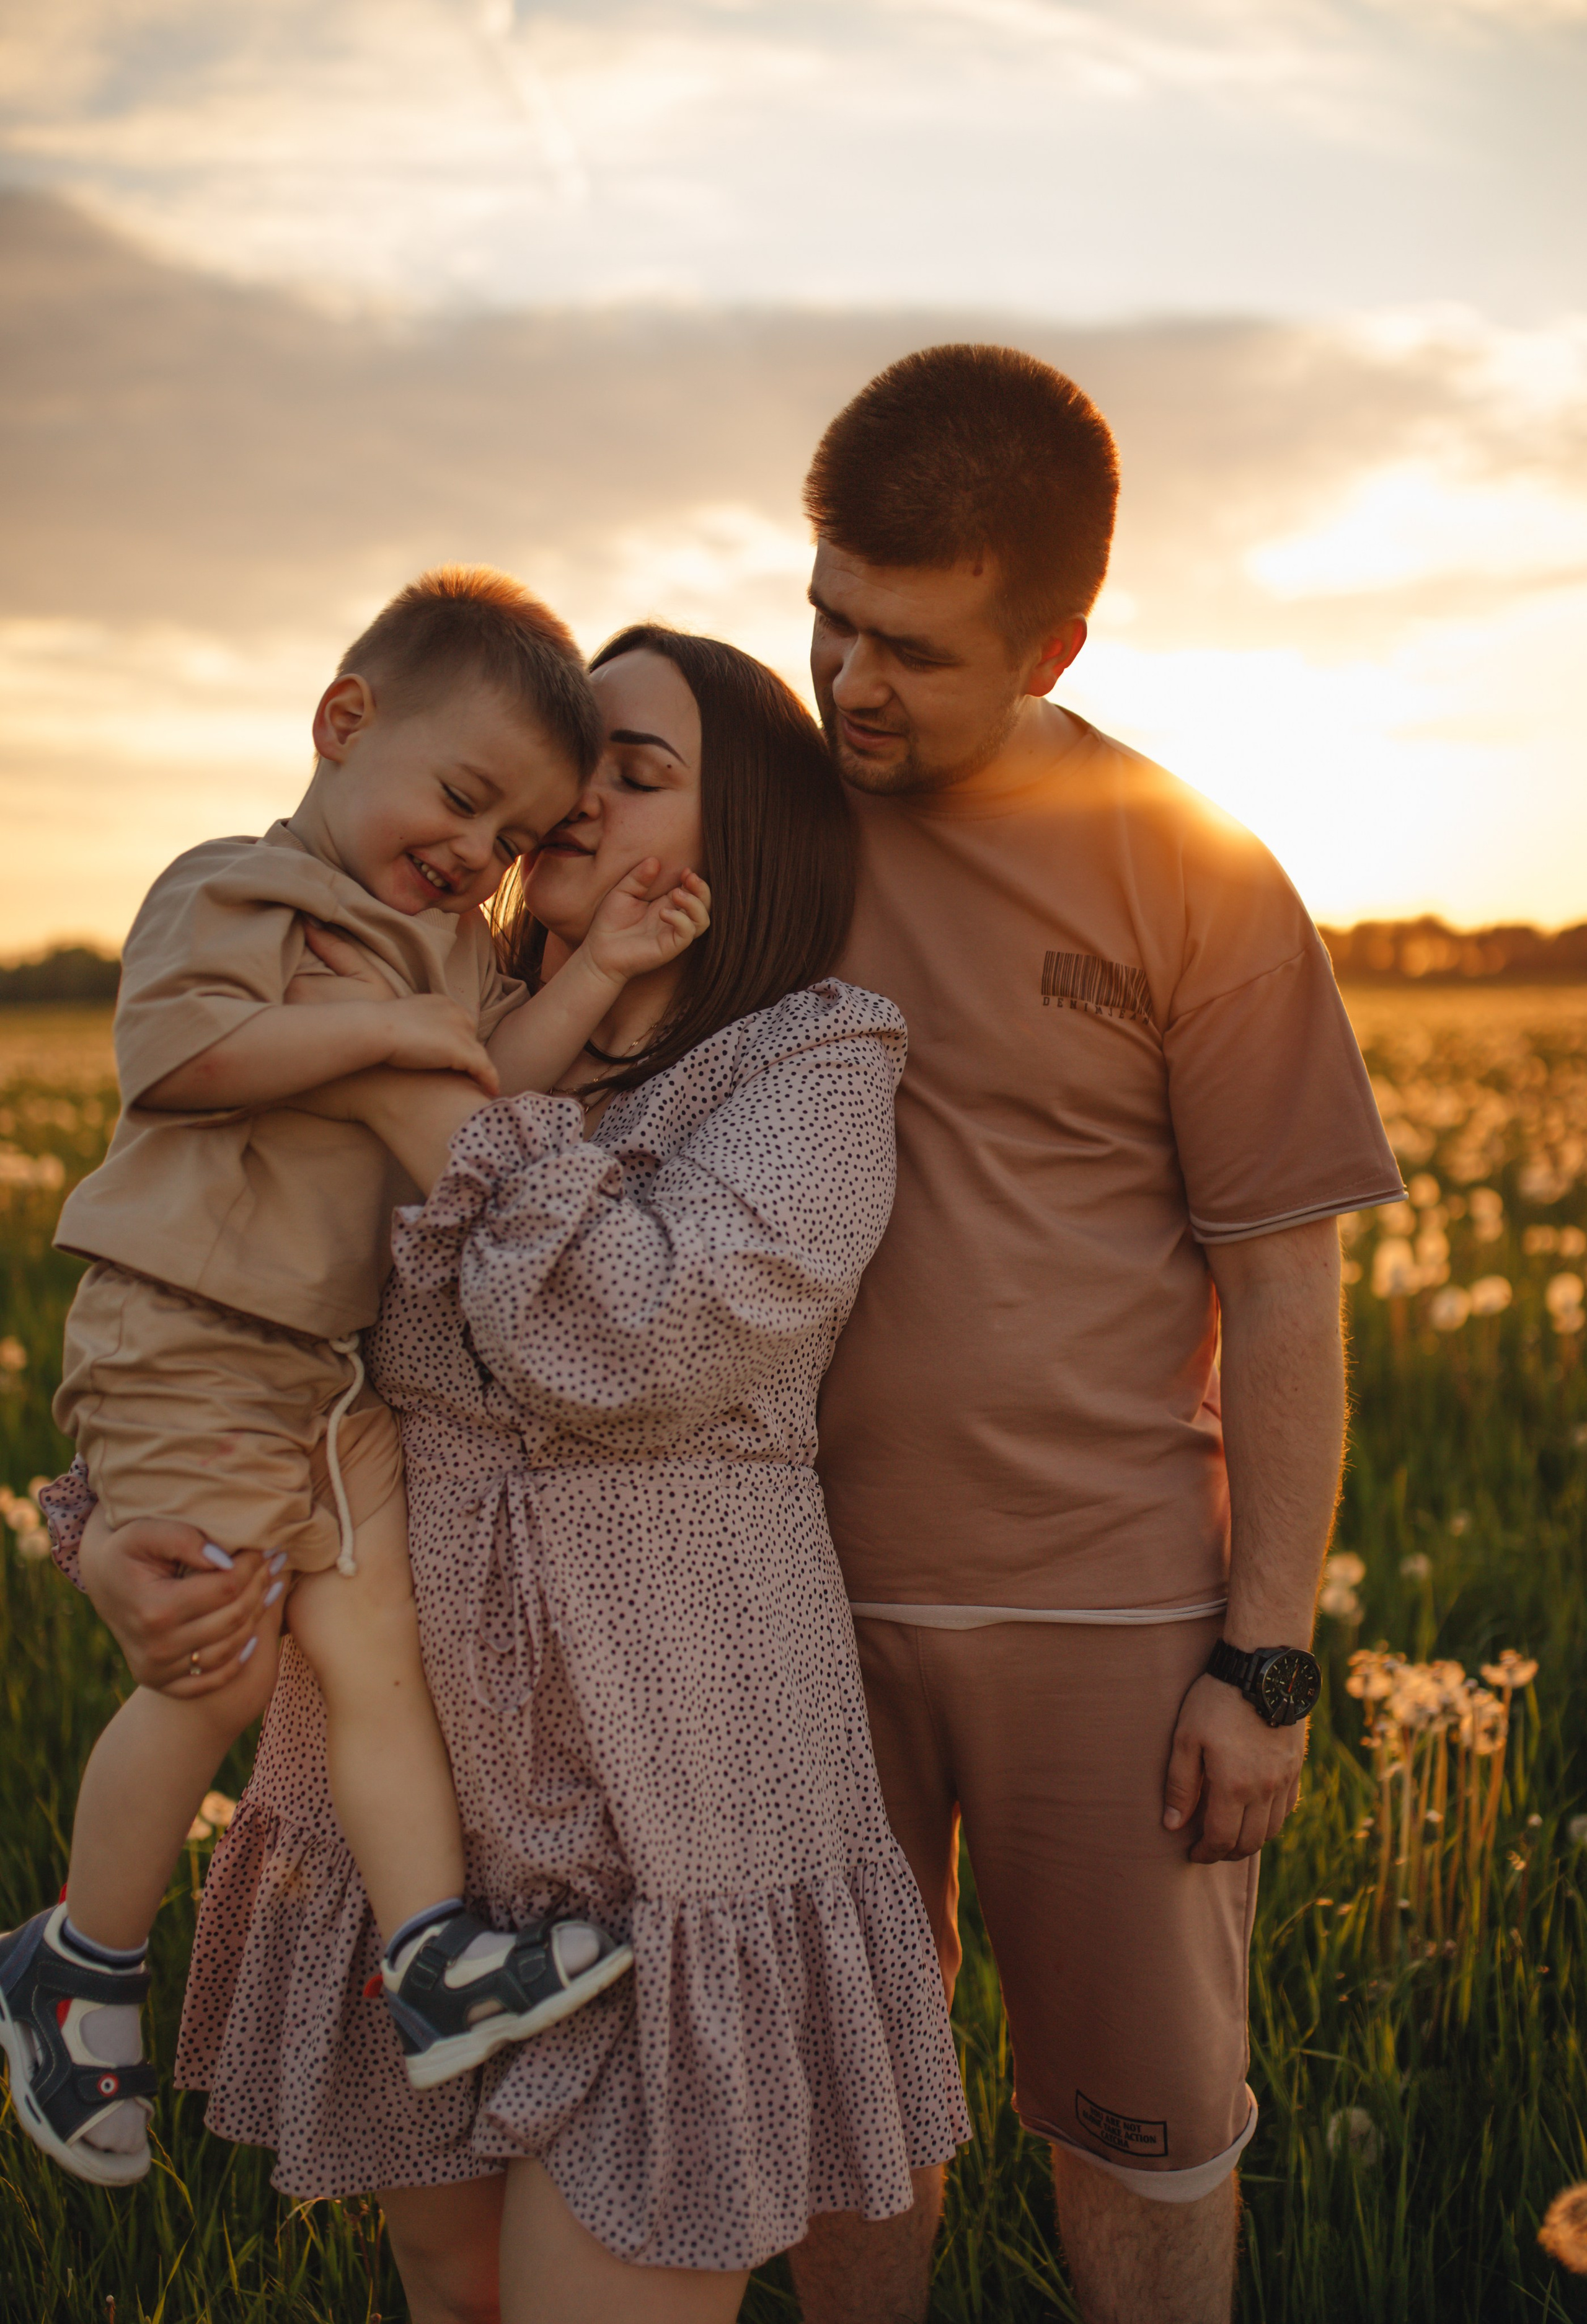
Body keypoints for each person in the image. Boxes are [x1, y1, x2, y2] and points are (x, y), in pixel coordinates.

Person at [39, 625, 969, 2322]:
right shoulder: (441, 996)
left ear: (739, 831)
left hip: (676, 1797)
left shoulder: (809, 1061)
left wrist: (423, 1098)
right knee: (447, 2288)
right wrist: (108, 1529)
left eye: (634, 773)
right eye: (560, 776)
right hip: (423, 1833)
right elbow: (217, 1273)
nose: (567, 813)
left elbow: (638, 1351)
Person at [784, 345, 1405, 2324]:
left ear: (1054, 642)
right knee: (839, 2136)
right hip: (787, 1612)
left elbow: (1285, 1286)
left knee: (1145, 2148)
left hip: (1112, 1632)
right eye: (826, 615)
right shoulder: (764, 826)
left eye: (913, 648)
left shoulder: (1191, 871)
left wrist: (1268, 1656)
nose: (850, 679)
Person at [0, 568, 712, 2186]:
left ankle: (433, 1952)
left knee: (375, 1657)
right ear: (343, 723)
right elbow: (174, 1057)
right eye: (464, 796)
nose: (479, 857)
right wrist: (380, 1024)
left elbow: (484, 1102)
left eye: (514, 839)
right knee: (215, 1666)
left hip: (318, 1371)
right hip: (181, 1324)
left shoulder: (447, 953)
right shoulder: (242, 889)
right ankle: (76, 1958)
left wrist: (589, 966)